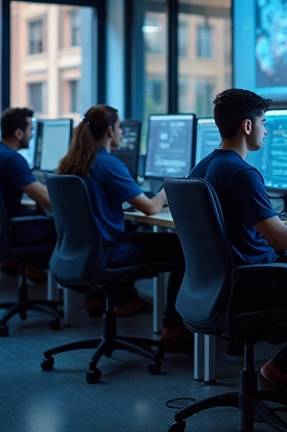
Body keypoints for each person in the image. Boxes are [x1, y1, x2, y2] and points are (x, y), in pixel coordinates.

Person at [190, 89, 287, 407]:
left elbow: (268, 224)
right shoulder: (242, 173)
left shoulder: (206, 167)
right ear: (247, 126)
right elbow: (279, 239)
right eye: (264, 122)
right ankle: (284, 369)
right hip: (252, 284)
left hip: (221, 284)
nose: (267, 130)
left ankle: (285, 369)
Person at [56, 104, 190, 349]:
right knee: (183, 248)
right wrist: (164, 192)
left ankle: (123, 300)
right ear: (109, 130)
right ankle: (174, 327)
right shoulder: (108, 163)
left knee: (140, 234)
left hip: (78, 254)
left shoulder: (71, 162)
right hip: (105, 254)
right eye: (119, 127)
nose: (120, 132)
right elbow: (149, 208)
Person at [0, 107, 55, 247]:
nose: (32, 136)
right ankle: (37, 268)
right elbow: (47, 201)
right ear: (19, 133)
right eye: (30, 130)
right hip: (14, 228)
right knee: (65, 229)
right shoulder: (12, 159)